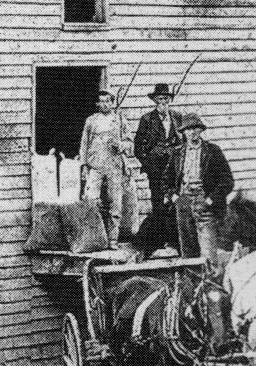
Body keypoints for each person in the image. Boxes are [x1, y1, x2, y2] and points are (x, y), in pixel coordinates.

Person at [166, 113, 234, 261]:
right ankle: (192, 283)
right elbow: (166, 181)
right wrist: (175, 198)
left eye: (195, 128)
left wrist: (210, 200)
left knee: (208, 252)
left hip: (204, 202)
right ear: (183, 132)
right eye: (188, 129)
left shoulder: (213, 151)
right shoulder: (177, 153)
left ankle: (210, 282)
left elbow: (228, 181)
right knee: (188, 253)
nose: (192, 132)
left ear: (201, 130)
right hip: (183, 203)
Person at [134, 82, 183, 245]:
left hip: (174, 167)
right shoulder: (147, 119)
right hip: (155, 167)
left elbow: (182, 140)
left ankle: (174, 238)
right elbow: (138, 145)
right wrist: (147, 164)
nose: (163, 102)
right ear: (155, 100)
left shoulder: (176, 117)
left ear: (170, 100)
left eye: (166, 99)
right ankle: (159, 239)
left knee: (174, 199)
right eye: (160, 99)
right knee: (157, 201)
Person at [79, 89, 130, 242]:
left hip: (114, 167)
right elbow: (84, 144)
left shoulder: (119, 120)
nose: (105, 104)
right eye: (101, 101)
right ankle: (94, 238)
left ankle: (113, 239)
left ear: (112, 103)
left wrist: (121, 145)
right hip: (95, 167)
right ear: (97, 104)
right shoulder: (91, 121)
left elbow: (130, 143)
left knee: (115, 204)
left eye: (108, 101)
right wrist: (84, 165)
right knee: (91, 202)